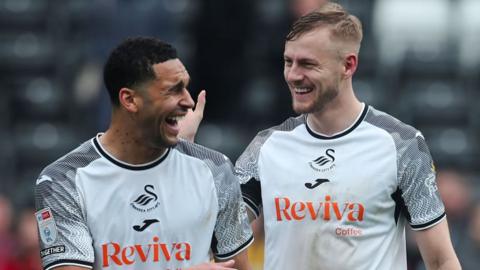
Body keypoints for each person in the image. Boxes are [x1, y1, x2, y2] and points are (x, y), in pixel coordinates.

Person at [183, 2, 461, 269]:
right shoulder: (266, 147)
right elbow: (217, 236)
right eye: (288, 62)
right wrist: (184, 151)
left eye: (307, 64)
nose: (293, 75)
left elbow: (441, 261)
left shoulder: (402, 146)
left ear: (348, 65)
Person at [34, 37, 253, 270]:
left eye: (186, 87)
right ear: (130, 100)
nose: (189, 101)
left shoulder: (215, 169)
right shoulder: (61, 182)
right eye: (173, 90)